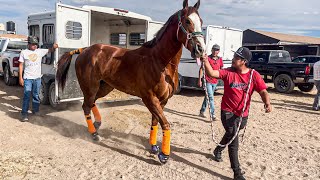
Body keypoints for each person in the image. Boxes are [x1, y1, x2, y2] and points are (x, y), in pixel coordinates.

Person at [200, 47, 272, 180]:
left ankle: (218, 149)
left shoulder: (253, 75)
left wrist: (267, 103)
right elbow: (211, 73)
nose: (233, 59)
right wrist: (205, 61)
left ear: (244, 61)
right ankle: (237, 173)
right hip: (227, 111)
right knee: (234, 138)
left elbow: (263, 91)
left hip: (242, 114)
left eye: (236, 58)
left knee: (230, 134)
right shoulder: (228, 72)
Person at [19, 36, 58, 122]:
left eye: (36, 44)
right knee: (26, 96)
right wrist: (20, 78)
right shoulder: (24, 52)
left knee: (36, 95)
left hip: (37, 78)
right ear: (28, 44)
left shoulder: (40, 51)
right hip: (28, 78)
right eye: (33, 44)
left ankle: (35, 111)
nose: (35, 46)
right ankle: (24, 114)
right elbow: (21, 65)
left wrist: (54, 47)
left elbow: (50, 50)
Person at [198, 44, 223, 120]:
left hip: (215, 81)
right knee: (211, 97)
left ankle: (202, 111)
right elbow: (201, 69)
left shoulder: (220, 59)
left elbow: (221, 69)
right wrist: (199, 80)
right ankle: (213, 115)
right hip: (207, 80)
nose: (216, 51)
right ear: (212, 50)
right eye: (214, 50)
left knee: (208, 97)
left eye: (217, 50)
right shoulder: (207, 58)